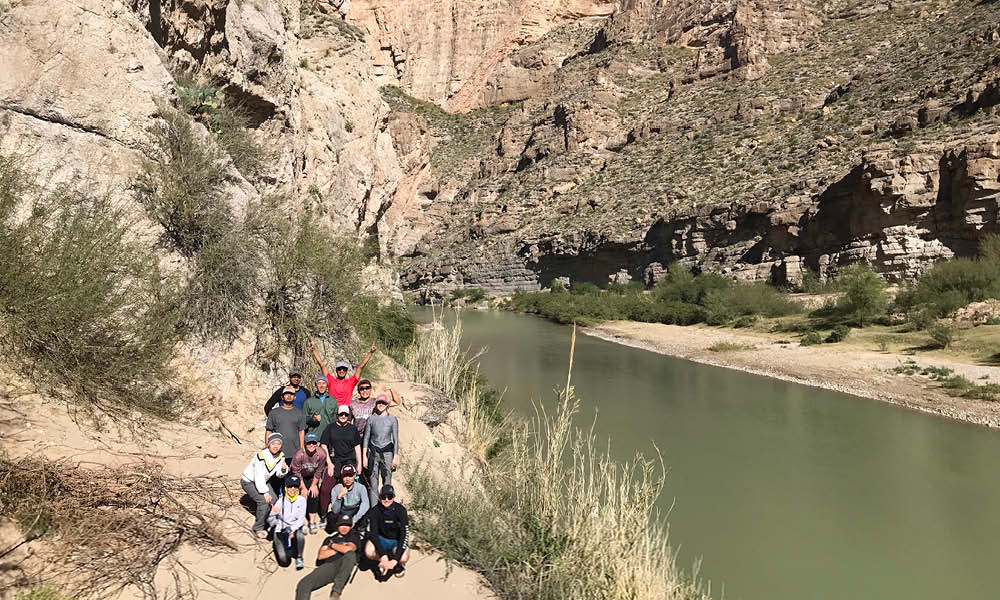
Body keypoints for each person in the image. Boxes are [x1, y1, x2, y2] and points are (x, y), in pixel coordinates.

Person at [294, 514, 360, 600]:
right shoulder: (329, 539)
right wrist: (339, 548)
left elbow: (349, 549)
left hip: (345, 565)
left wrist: (332, 545)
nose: (344, 527)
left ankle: (336, 591)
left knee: (350, 555)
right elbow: (321, 556)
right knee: (303, 584)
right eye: (342, 524)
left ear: (351, 527)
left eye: (347, 525)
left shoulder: (354, 536)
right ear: (337, 525)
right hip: (329, 566)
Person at [240, 433, 289, 539]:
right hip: (249, 481)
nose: (276, 446)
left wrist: (284, 470)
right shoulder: (261, 456)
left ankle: (266, 518)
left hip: (263, 482)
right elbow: (258, 476)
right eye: (273, 443)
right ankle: (257, 528)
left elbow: (279, 475)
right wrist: (265, 493)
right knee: (264, 501)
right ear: (268, 444)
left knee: (274, 498)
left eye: (278, 444)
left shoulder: (281, 456)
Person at [319, 405, 362, 521]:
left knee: (349, 487)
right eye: (341, 414)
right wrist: (329, 462)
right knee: (325, 489)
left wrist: (359, 463)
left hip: (349, 460)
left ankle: (348, 514)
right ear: (337, 415)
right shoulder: (330, 428)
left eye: (346, 415)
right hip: (334, 461)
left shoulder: (352, 429)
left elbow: (357, 446)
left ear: (349, 416)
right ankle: (323, 514)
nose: (343, 416)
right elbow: (323, 444)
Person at [309, 338, 376, 407]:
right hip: (333, 411)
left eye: (344, 369)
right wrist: (314, 350)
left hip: (345, 413)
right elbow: (322, 365)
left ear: (346, 371)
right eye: (339, 369)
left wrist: (370, 352)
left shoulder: (350, 382)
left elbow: (360, 367)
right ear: (336, 370)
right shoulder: (331, 380)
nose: (341, 371)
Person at [363, 394, 399, 508]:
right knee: (373, 482)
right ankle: (374, 510)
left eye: (383, 403)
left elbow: (396, 438)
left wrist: (396, 456)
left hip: (387, 452)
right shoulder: (371, 419)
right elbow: (366, 438)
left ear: (387, 405)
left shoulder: (392, 419)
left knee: (387, 481)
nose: (381, 405)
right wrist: (364, 455)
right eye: (379, 403)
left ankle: (387, 508)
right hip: (374, 452)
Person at [365, 485, 409, 577]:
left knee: (403, 557)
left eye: (389, 496)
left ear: (394, 497)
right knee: (369, 551)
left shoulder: (401, 510)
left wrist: (396, 559)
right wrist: (383, 555)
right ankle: (384, 561)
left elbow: (404, 535)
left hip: (396, 541)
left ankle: (397, 564)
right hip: (382, 539)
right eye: (383, 497)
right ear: (379, 497)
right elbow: (373, 534)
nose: (386, 499)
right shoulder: (374, 511)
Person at [291, 432, 328, 534]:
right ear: (305, 444)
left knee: (313, 494)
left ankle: (312, 521)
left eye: (313, 443)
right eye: (308, 443)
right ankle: (301, 521)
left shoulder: (321, 454)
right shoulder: (299, 455)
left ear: (317, 444)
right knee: (301, 497)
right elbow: (296, 472)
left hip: (312, 476)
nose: (311, 445)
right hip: (299, 476)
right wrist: (303, 488)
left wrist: (314, 485)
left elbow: (319, 471)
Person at [269, 474, 308, 570]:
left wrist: (292, 529)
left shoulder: (302, 500)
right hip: (281, 530)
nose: (293, 489)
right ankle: (287, 547)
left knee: (300, 535)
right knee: (284, 561)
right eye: (290, 486)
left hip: (294, 529)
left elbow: (301, 519)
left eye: (295, 487)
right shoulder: (280, 501)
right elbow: (271, 517)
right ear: (286, 488)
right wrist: (277, 523)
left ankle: (299, 556)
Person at [265, 386, 307, 464]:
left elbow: (301, 431)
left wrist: (301, 449)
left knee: (293, 475)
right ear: (282, 397)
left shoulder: (299, 413)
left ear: (294, 397)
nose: (289, 396)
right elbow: (268, 430)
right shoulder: (274, 413)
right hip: (277, 452)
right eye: (286, 394)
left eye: (291, 394)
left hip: (294, 453)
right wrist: (267, 447)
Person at [329, 463, 369, 532]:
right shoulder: (336, 489)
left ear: (354, 476)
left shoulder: (361, 488)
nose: (347, 479)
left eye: (350, 476)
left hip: (355, 514)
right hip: (342, 514)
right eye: (345, 476)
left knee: (365, 512)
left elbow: (365, 505)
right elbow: (335, 511)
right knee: (331, 516)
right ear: (341, 477)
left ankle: (360, 530)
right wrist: (339, 498)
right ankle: (338, 531)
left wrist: (354, 520)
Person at [303, 375, 333, 439]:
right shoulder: (308, 401)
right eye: (319, 383)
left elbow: (335, 419)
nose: (321, 386)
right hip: (313, 438)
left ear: (327, 385)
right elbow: (303, 419)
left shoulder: (333, 401)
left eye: (324, 383)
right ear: (316, 386)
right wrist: (313, 420)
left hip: (329, 437)